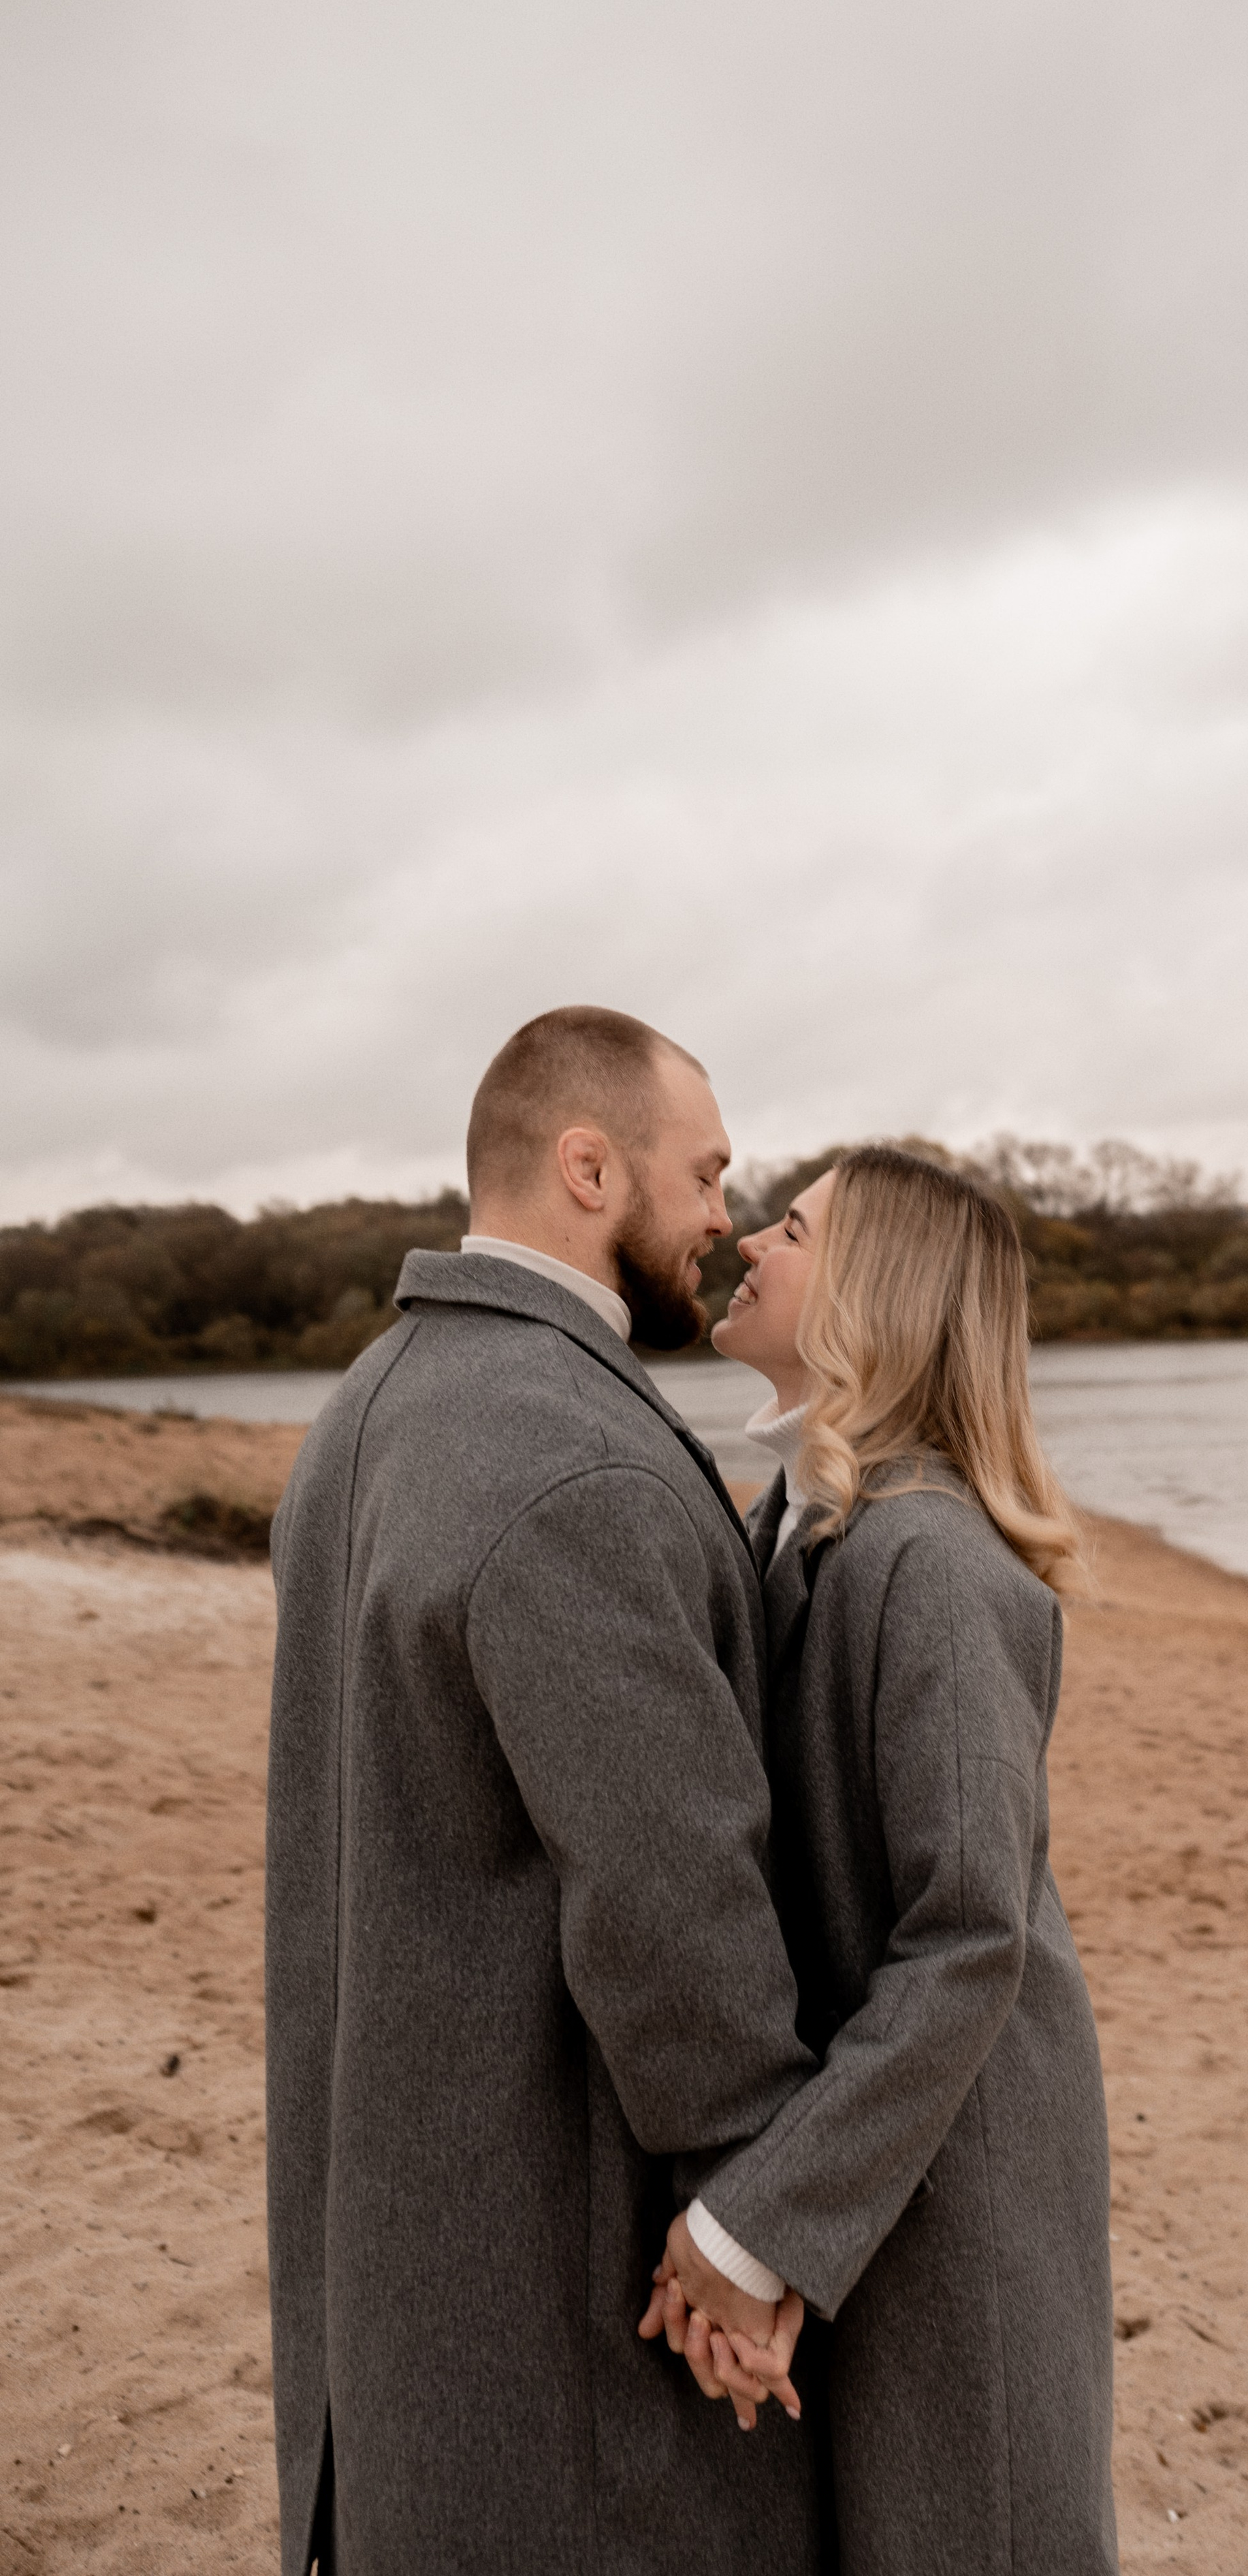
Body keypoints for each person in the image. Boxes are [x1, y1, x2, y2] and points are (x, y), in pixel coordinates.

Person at [265, 1006, 827, 2576]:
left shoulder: (360, 1412)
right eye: (705, 1172)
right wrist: (753, 2207)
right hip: (545, 2278)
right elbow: (669, 1890)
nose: (723, 1216)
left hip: (380, 2255)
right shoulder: (565, 1450)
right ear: (589, 1166)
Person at [656, 1144, 1118, 2575]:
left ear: (873, 1294)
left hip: (957, 2166)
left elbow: (969, 1931)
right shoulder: (799, 1526)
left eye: (790, 1230)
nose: (746, 1242)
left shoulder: (928, 1562)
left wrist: (754, 2228)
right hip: (872, 2143)